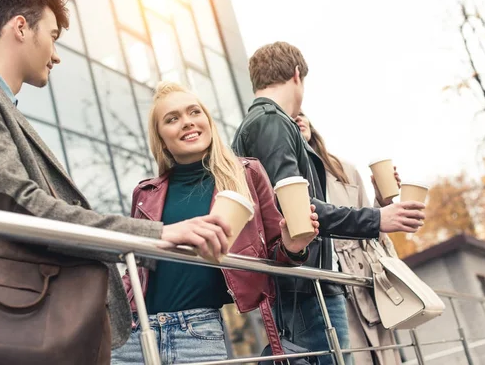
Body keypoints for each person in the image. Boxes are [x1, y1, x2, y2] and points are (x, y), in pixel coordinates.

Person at [0, 0, 232, 353]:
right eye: (54, 37)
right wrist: (154, 234)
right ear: (21, 27)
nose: (56, 55)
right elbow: (19, 204)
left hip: (14, 318)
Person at [232, 41, 425, 365]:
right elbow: (298, 211)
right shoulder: (271, 122)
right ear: (296, 75)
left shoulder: (264, 123)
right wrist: (377, 219)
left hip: (303, 288)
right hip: (306, 291)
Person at [111, 82, 319, 364]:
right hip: (135, 331)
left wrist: (293, 247)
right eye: (172, 119)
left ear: (207, 121)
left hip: (198, 332)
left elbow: (274, 255)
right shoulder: (145, 193)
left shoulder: (247, 173)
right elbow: (138, 268)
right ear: (160, 137)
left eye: (194, 112)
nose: (187, 122)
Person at [295, 112, 403, 365]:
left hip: (366, 282)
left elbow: (373, 231)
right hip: (328, 286)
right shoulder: (290, 177)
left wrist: (382, 201)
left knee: (385, 356)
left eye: (301, 114)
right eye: (291, 116)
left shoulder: (344, 170)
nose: (298, 118)